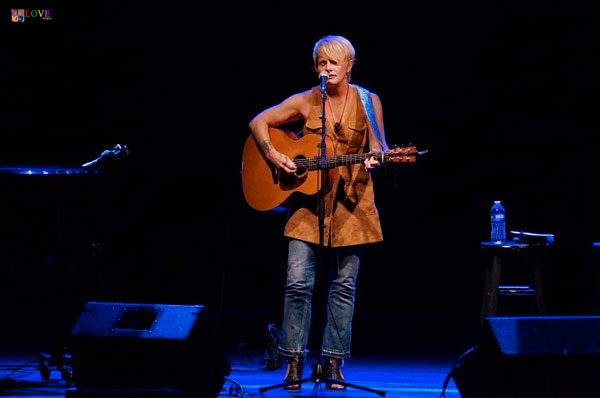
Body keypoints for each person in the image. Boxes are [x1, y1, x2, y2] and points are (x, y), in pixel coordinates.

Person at [248, 35, 389, 391]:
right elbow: (258, 122)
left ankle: (333, 362)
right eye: (320, 63)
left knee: (343, 287)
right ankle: (293, 361)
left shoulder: (369, 102)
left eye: (332, 63)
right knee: (298, 284)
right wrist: (275, 155)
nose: (325, 70)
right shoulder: (307, 101)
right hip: (307, 207)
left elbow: (379, 147)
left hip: (352, 205)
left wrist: (376, 160)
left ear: (349, 65)